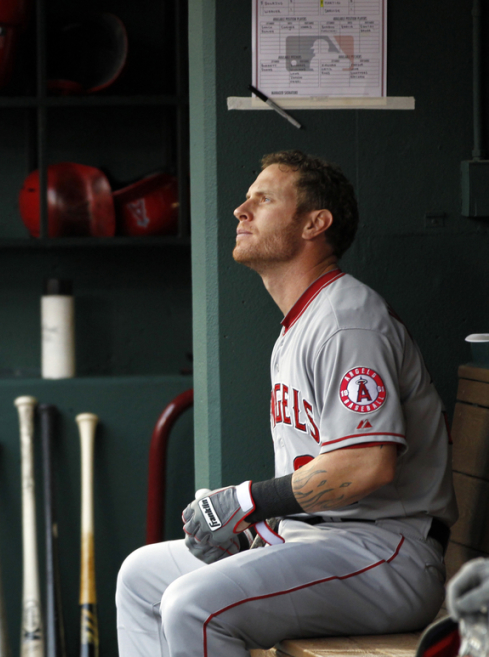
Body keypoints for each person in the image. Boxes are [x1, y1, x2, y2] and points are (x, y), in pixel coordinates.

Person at [116, 150, 457, 657]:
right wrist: (254, 524)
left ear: (315, 223)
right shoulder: (301, 323)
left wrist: (247, 501)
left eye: (264, 199)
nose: (241, 210)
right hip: (321, 543)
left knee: (194, 605)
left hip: (387, 553)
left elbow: (367, 465)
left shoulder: (348, 320)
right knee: (141, 576)